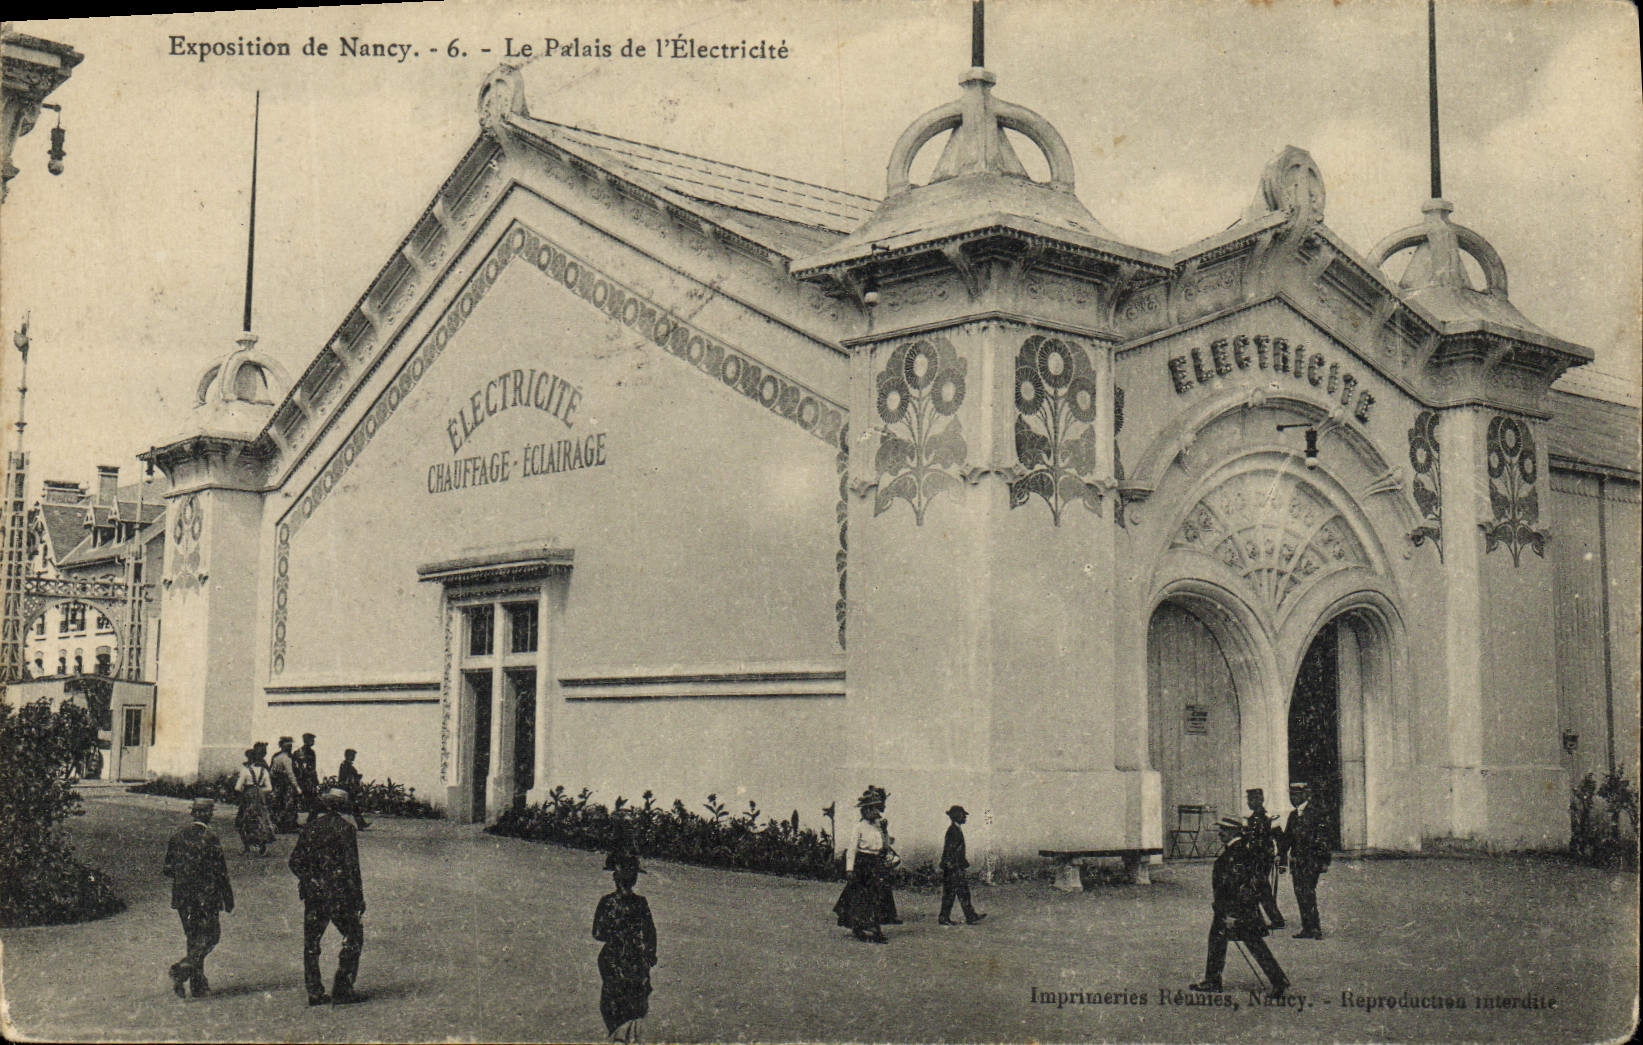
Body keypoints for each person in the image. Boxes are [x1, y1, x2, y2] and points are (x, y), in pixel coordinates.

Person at [1190, 817, 1288, 998]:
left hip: (1236, 910)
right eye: (1221, 829)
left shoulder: (1238, 852)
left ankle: (1279, 982)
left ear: (1235, 832)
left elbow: (1241, 887)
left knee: (1254, 944)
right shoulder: (1238, 849)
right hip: (1227, 909)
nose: (1220, 833)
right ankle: (1212, 980)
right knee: (1218, 941)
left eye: (1224, 830)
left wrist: (1232, 914)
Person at [289, 788, 366, 1005]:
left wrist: (310, 879)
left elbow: (295, 861)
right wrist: (358, 899)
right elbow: (352, 867)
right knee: (354, 936)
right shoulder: (346, 829)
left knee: (312, 943)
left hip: (314, 895)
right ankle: (343, 987)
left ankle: (314, 991)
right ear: (343, 807)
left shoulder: (311, 828)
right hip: (340, 895)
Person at [164, 799, 235, 999]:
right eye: (211, 811)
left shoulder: (177, 836)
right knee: (211, 936)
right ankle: (184, 969)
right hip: (206, 896)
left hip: (182, 897)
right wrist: (227, 898)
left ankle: (197, 984)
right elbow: (221, 871)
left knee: (193, 937)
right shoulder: (210, 838)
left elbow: (167, 869)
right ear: (207, 814)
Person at [593, 850, 658, 1043]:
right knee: (635, 1004)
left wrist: (616, 934)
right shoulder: (640, 903)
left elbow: (597, 933)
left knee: (612, 1001)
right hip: (635, 958)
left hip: (612, 957)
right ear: (635, 880)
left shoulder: (607, 902)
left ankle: (617, 1037)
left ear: (615, 877)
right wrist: (649, 956)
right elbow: (650, 933)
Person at [832, 786, 892, 943]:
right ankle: (863, 928)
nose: (876, 812)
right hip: (863, 864)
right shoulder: (859, 827)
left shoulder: (879, 826)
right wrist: (849, 869)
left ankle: (874, 928)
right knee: (862, 898)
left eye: (876, 809)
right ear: (865, 811)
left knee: (876, 897)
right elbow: (852, 849)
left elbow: (884, 847)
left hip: (876, 863)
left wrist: (885, 832)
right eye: (873, 809)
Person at [1277, 780, 1331, 939]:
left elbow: (1324, 839)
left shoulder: (1315, 812)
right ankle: (1308, 927)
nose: (1293, 798)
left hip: (1311, 861)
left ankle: (1314, 928)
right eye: (1291, 795)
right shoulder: (1293, 815)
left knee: (1307, 892)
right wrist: (1282, 861)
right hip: (1297, 862)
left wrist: (1324, 861)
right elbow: (1287, 839)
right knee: (1301, 893)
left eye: (1296, 794)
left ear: (1305, 795)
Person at [937, 805, 986, 926]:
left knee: (960, 892)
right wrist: (955, 867)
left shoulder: (955, 829)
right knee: (952, 893)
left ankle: (969, 916)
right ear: (956, 816)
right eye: (962, 815)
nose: (965, 817)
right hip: (953, 868)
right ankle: (947, 918)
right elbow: (950, 851)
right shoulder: (953, 831)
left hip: (954, 867)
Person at [1244, 788, 1285, 930]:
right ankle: (1269, 919)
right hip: (1252, 858)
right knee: (1259, 888)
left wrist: (1281, 858)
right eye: (1249, 799)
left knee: (1260, 887)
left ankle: (1273, 919)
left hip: (1264, 858)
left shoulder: (1270, 818)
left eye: (1253, 799)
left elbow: (1280, 840)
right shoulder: (1250, 819)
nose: (1250, 802)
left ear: (1261, 800)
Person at [233, 747, 276, 855]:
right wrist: (259, 791)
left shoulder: (245, 770)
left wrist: (248, 791)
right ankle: (263, 847)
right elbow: (269, 788)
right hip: (260, 800)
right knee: (261, 821)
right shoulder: (264, 771)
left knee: (243, 821)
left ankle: (246, 847)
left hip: (248, 799)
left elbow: (237, 788)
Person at [270, 737, 301, 833]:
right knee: (288, 804)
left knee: (278, 804)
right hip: (287, 785)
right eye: (289, 746)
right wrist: (297, 787)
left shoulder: (276, 757)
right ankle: (287, 826)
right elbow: (290, 774)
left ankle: (278, 825)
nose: (290, 748)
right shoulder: (287, 759)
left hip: (278, 784)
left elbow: (271, 772)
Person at [336, 748, 371, 830]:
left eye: (354, 756)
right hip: (346, 789)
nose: (354, 757)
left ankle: (361, 824)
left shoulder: (348, 766)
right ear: (347, 756)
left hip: (349, 789)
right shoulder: (345, 765)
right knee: (345, 808)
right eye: (352, 755)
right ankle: (360, 824)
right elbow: (345, 778)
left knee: (352, 807)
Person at [293, 733, 321, 822]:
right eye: (311, 739)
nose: (313, 741)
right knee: (309, 800)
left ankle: (311, 820)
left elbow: (313, 767)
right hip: (305, 780)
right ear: (306, 740)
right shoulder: (303, 752)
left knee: (312, 800)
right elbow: (301, 767)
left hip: (306, 779)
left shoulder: (308, 752)